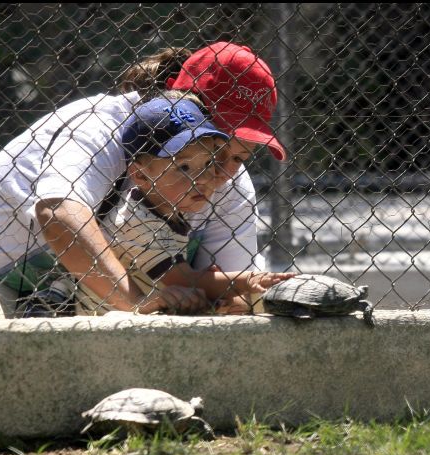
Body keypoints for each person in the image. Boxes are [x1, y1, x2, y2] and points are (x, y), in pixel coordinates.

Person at [0, 41, 286, 323]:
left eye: (240, 156)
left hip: (84, 298)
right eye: (218, 145)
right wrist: (135, 305)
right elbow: (58, 214)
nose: (222, 171)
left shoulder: (231, 184)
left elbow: (225, 286)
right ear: (181, 101)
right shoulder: (99, 124)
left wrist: (240, 299)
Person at [76, 94, 294, 315]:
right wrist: (249, 280)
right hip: (105, 323)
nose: (203, 178)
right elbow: (183, 279)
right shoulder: (132, 219)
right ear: (140, 175)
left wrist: (218, 291)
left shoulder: (170, 209)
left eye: (209, 162)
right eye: (183, 167)